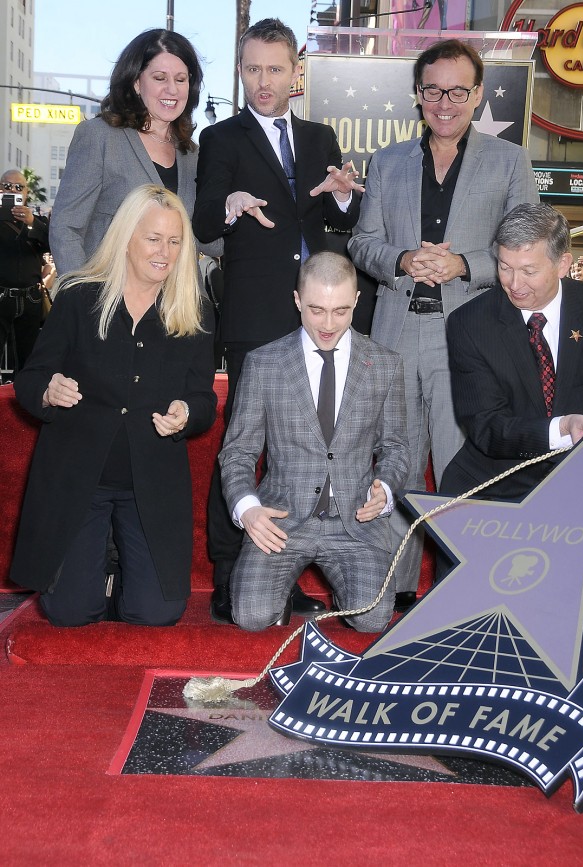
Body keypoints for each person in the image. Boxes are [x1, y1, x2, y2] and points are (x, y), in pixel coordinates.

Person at [347, 38, 539, 611]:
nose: (445, 101)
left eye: (458, 90)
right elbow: (363, 243)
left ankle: (465, 595)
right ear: (418, 95)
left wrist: (465, 264)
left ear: (478, 95)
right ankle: (391, 592)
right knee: (393, 463)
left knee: (465, 469)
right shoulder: (386, 162)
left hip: (472, 341)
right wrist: (402, 260)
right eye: (433, 90)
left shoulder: (511, 162)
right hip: (396, 336)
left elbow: (527, 247)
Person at [192, 18, 363, 622]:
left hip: (314, 319)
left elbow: (341, 223)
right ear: (241, 72)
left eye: (274, 69)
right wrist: (231, 205)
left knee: (299, 451)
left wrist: (345, 196)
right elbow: (204, 219)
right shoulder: (223, 138)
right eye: (252, 69)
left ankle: (281, 568)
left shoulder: (321, 138)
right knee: (244, 446)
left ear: (296, 74)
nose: (262, 82)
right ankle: (229, 569)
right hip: (254, 315)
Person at [10, 185, 216, 627]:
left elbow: (204, 400)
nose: (165, 252)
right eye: (154, 239)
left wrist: (186, 411)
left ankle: (119, 570)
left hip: (151, 486)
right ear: (126, 237)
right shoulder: (78, 298)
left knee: (156, 614)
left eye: (175, 241)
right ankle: (93, 567)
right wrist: (49, 389)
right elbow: (29, 380)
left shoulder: (192, 309)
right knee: (69, 612)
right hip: (78, 479)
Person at [219, 252, 410, 632]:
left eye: (340, 311)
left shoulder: (385, 364)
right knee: (252, 616)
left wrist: (385, 490)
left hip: (354, 522)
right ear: (296, 300)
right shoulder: (264, 363)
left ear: (357, 301)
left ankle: (348, 587)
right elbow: (238, 453)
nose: (327, 324)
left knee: (372, 619)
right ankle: (284, 592)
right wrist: (248, 509)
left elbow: (397, 447)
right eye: (315, 310)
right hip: (281, 520)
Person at [439, 203, 583, 501]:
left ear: (563, 264)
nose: (514, 284)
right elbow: (485, 425)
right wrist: (561, 428)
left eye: (528, 271)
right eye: (504, 267)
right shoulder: (470, 323)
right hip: (494, 488)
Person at [50, 28, 220, 275]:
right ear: (137, 82)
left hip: (178, 308)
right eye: (160, 78)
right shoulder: (99, 137)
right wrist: (82, 299)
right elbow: (65, 227)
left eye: (181, 79)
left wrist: (233, 210)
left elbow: (209, 242)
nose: (172, 89)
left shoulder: (193, 155)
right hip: (111, 304)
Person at [0, 169, 50, 378]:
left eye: (19, 187)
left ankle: (23, 405)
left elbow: (53, 245)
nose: (13, 190)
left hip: (31, 299)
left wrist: (32, 223)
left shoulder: (38, 221)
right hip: (1, 297)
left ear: (26, 193)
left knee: (28, 359)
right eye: (7, 186)